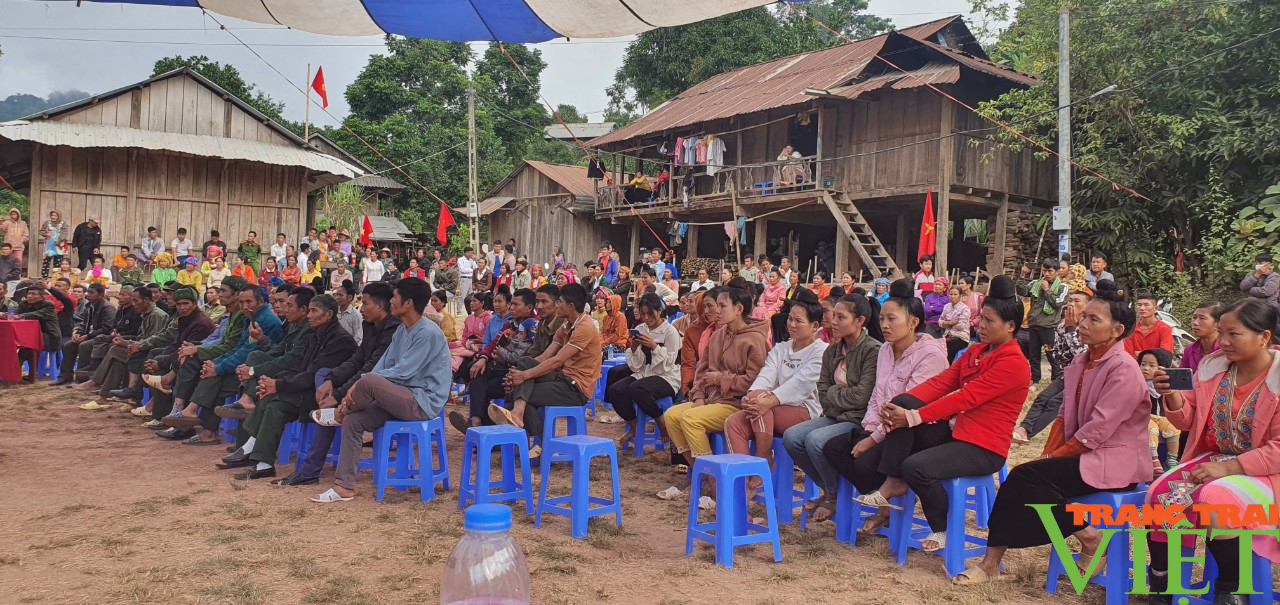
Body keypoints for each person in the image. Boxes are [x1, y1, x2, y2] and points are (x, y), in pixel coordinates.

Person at [951, 279, 1148, 584]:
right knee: (1025, 478)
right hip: (1084, 455)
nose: (1082, 323)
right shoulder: (1084, 360)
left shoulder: (1124, 368)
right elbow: (1064, 416)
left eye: (1093, 319)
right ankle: (1000, 561)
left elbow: (1097, 429)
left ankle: (1087, 538)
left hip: (1113, 460)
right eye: (1083, 316)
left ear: (1117, 330)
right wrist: (1049, 454)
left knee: (1023, 478)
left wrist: (1055, 456)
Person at [852, 275, 1030, 553]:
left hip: (983, 446)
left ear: (1010, 326)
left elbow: (966, 398)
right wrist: (903, 407)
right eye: (981, 318)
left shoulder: (1013, 362)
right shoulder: (976, 351)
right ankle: (892, 482)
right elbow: (942, 383)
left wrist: (914, 417)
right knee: (903, 401)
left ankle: (943, 527)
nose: (980, 325)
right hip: (956, 433)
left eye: (989, 321)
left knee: (916, 466)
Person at [1145, 298, 1280, 604]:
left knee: (1216, 497)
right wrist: (1175, 397)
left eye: (1234, 334)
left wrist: (1228, 469)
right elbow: (1190, 418)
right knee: (1160, 492)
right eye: (1222, 333)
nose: (1224, 341)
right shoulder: (1214, 367)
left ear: (1264, 337)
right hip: (1217, 459)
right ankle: (1162, 581)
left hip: (1267, 471)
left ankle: (1232, 588)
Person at [821, 278, 948, 532]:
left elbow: (906, 407)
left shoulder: (930, 354)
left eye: (892, 319)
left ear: (913, 323)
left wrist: (872, 439)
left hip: (916, 430)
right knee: (834, 448)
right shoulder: (885, 351)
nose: (885, 325)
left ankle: (890, 496)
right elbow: (878, 395)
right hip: (886, 427)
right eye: (882, 319)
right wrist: (869, 429)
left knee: (864, 460)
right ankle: (886, 501)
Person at [311, 278, 452, 503]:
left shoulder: (427, 332)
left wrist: (361, 384)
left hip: (422, 402)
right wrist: (361, 384)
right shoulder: (402, 331)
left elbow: (403, 371)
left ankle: (339, 412)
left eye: (395, 297)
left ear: (408, 303)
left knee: (368, 382)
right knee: (354, 421)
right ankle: (344, 487)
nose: (391, 301)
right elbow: (382, 366)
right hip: (399, 396)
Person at [221, 294, 357, 479]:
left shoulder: (340, 340)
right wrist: (272, 382)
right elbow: (299, 367)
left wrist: (278, 385)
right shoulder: (317, 334)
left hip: (323, 397)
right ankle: (263, 464)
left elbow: (311, 376)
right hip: (305, 390)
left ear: (328, 314)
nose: (309, 315)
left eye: (314, 311)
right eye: (309, 310)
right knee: (273, 403)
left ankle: (252, 448)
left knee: (274, 396)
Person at [782, 291, 881, 520]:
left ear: (859, 321)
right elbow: (822, 391)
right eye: (833, 316)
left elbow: (862, 397)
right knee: (792, 437)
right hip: (835, 415)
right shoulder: (833, 350)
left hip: (858, 419)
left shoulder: (872, 350)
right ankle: (829, 488)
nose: (833, 322)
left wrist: (835, 394)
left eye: (841, 317)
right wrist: (838, 395)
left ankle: (833, 494)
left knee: (815, 440)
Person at [725, 296, 829, 501]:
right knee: (733, 423)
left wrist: (768, 400)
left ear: (814, 325)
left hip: (804, 410)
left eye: (799, 321)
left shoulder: (821, 351)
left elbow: (801, 384)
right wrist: (752, 396)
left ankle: (763, 456)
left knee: (762, 402)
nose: (791, 324)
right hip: (769, 409)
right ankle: (743, 484)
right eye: (790, 319)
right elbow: (766, 374)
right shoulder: (782, 348)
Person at [663, 284, 769, 477]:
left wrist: (722, 379)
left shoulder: (755, 339)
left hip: (737, 404)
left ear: (739, 310)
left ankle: (713, 478)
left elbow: (757, 382)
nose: (716, 311)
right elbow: (701, 372)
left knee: (690, 419)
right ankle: (702, 473)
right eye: (716, 306)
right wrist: (698, 397)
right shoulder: (718, 335)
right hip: (712, 399)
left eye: (722, 306)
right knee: (671, 416)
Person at [488, 284, 603, 455]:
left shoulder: (584, 327)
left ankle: (541, 441)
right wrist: (517, 374)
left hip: (576, 387)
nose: (556, 306)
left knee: (518, 393)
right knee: (525, 363)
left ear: (570, 306)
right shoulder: (565, 327)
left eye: (559, 302)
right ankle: (520, 428)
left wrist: (523, 376)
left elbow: (557, 360)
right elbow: (543, 357)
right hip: (562, 378)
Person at [451, 289, 537, 433]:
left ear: (529, 307)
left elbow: (529, 356)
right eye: (512, 304)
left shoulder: (533, 326)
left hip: (519, 375)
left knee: (479, 387)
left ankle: (485, 429)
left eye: (516, 305)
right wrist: (483, 358)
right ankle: (477, 422)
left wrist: (502, 357)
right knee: (477, 373)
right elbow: (493, 343)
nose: (512, 308)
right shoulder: (510, 323)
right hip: (503, 368)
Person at [1013, 289, 1091, 443]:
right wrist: (1065, 332)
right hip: (1068, 373)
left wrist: (1070, 331)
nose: (1071, 304)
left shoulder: (1090, 327)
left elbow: (1082, 356)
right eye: (1070, 300)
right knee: (1042, 397)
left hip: (1085, 375)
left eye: (1077, 301)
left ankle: (1028, 433)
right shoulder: (1063, 326)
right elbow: (1059, 357)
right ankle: (1023, 428)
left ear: (1088, 306)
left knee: (1056, 402)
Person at [607, 293, 682, 448]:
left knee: (637, 388)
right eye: (643, 314)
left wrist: (654, 347)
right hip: (645, 373)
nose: (647, 318)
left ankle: (661, 421)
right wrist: (634, 349)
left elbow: (669, 364)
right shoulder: (640, 329)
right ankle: (634, 425)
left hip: (667, 376)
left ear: (659, 311)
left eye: (650, 313)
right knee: (616, 390)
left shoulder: (670, 332)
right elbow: (636, 366)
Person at [49, 282, 115, 385]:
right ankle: (65, 376)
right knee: (69, 345)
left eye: (92, 292)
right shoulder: (89, 306)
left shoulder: (107, 308)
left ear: (101, 295)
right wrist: (78, 334)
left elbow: (107, 328)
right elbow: (84, 324)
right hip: (88, 335)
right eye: (88, 292)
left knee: (84, 345)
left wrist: (87, 336)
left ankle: (81, 378)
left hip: (101, 338)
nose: (88, 294)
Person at [1018, 258, 1067, 383]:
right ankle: (1035, 380)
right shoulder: (1036, 283)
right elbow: (1022, 291)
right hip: (1034, 326)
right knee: (1034, 355)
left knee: (1052, 355)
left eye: (1050, 271)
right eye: (1044, 270)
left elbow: (1057, 302)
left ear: (1056, 272)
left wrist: (1047, 290)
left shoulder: (1063, 287)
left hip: (1049, 328)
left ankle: (1056, 380)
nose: (1046, 274)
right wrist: (1022, 276)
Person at [13, 285, 61, 381]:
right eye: (29, 293)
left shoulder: (48, 305)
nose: (30, 296)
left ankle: (24, 373)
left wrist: (21, 316)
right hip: (29, 335)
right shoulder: (24, 304)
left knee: (29, 343)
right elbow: (15, 314)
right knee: (13, 341)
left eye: (33, 294)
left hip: (49, 336)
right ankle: (14, 371)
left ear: (41, 296)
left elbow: (38, 314)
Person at [1123, 291, 1174, 358]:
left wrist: (1139, 354)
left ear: (1156, 308)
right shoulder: (1130, 329)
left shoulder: (1165, 329)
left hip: (1157, 368)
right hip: (1134, 367)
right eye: (1139, 305)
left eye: (1146, 305)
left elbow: (1165, 356)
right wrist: (1153, 355)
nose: (1142, 308)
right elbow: (1128, 357)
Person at [939, 284, 971, 361]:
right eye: (951, 294)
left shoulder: (965, 308)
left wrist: (946, 322)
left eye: (955, 294)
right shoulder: (946, 306)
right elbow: (939, 322)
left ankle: (948, 366)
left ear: (960, 295)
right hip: (947, 335)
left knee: (950, 344)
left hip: (961, 337)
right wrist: (951, 322)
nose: (953, 296)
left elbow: (961, 326)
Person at [39, 210, 69, 278]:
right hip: (49, 245)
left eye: (55, 216)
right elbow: (41, 231)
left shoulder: (63, 223)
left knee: (58, 263)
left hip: (59, 245)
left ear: (59, 216)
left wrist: (59, 239)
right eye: (52, 215)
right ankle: (44, 277)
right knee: (46, 262)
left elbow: (65, 233)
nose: (53, 217)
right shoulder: (47, 223)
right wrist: (46, 234)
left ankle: (56, 278)